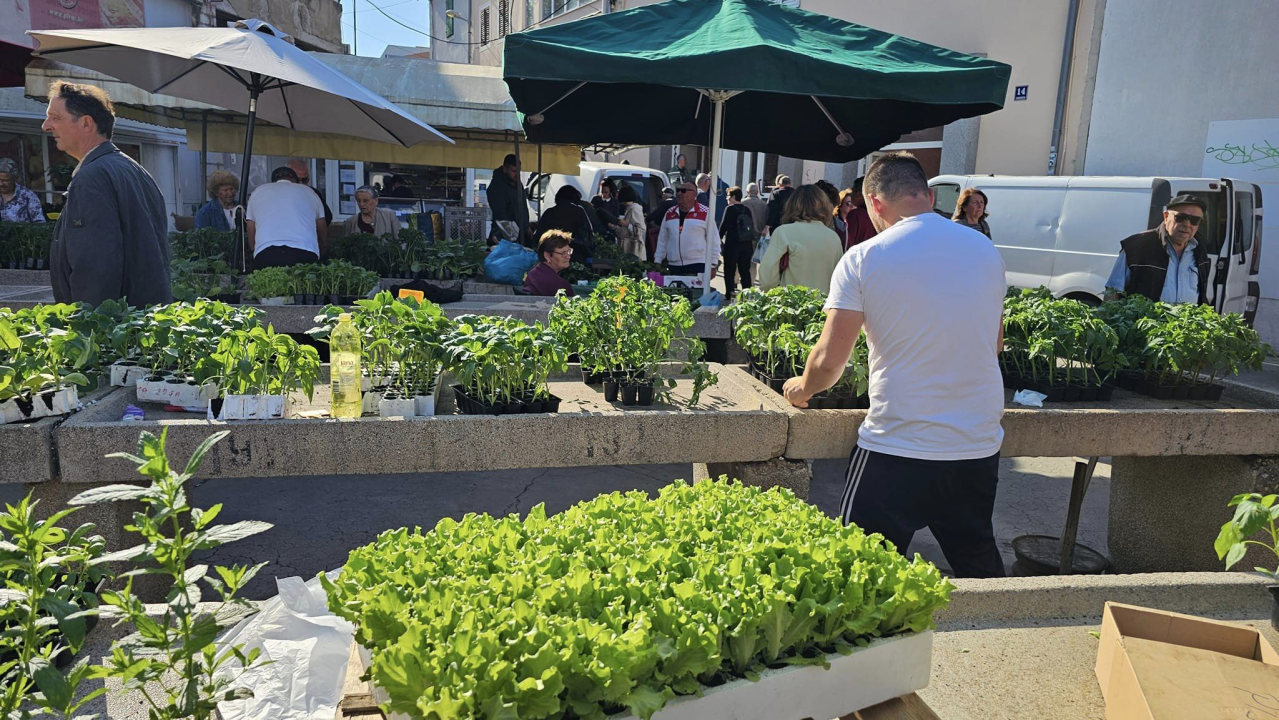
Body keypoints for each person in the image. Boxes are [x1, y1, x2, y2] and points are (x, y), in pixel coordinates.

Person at [782, 152, 1007, 579]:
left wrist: (801, 390)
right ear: (925, 194)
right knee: (978, 564)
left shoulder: (865, 257)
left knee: (858, 574)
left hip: (898, 444)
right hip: (976, 444)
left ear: (874, 203)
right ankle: (1006, 636)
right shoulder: (984, 249)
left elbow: (831, 360)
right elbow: (993, 344)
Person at [42, 81, 170, 307]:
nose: (46, 126)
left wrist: (87, 330)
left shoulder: (91, 177)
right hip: (140, 324)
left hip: (110, 332)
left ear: (86, 123)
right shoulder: (134, 170)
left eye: (56, 117)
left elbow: (95, 267)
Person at [1105, 194, 1210, 305]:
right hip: (1145, 321)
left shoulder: (1200, 250)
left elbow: (1201, 294)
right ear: (1166, 216)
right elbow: (1113, 292)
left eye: (1194, 220)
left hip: (1186, 322)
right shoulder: (1137, 247)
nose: (1187, 224)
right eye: (1180, 218)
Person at [757, 185, 843, 293]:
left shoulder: (784, 233)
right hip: (823, 305)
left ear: (791, 205)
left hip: (791, 304)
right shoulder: (834, 237)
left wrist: (772, 294)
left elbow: (767, 275)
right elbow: (840, 278)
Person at [246, 166, 326, 269]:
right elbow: (322, 226)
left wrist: (254, 249)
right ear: (295, 180)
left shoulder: (258, 192)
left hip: (266, 252)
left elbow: (251, 228)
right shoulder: (309, 192)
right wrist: (323, 253)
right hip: (305, 252)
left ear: (273, 181)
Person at [655, 181, 720, 276]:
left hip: (698, 264)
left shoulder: (705, 213)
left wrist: (713, 264)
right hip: (674, 265)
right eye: (678, 190)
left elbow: (714, 240)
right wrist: (658, 261)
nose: (679, 193)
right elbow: (662, 239)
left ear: (694, 194)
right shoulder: (670, 213)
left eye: (683, 191)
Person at [719, 186, 756, 298]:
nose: (726, 198)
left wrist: (717, 239)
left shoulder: (730, 209)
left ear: (733, 197)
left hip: (732, 243)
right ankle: (747, 294)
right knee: (745, 270)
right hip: (746, 243)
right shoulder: (747, 210)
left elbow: (723, 226)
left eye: (728, 196)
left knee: (729, 270)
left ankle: (729, 293)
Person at [537, 185, 593, 257]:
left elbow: (539, 236)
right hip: (576, 254)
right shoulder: (579, 211)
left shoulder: (549, 212)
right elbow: (588, 233)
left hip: (552, 255)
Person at [487, 154, 530, 245]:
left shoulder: (518, 184)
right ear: (505, 169)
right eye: (514, 171)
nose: (517, 174)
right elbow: (500, 213)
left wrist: (526, 226)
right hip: (504, 234)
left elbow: (523, 207)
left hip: (517, 233)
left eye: (519, 171)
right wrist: (510, 234)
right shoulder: (497, 186)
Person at [523, 229, 575, 297]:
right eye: (563, 253)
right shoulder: (560, 285)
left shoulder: (533, 273)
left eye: (569, 251)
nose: (568, 257)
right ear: (547, 256)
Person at [286, 159, 332, 226]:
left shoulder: (313, 193)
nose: (301, 183)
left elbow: (327, 217)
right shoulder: (278, 194)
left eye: (304, 180)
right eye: (296, 180)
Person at [835, 180, 877, 251]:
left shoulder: (855, 214)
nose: (851, 194)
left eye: (853, 191)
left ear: (860, 194)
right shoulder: (875, 214)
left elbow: (846, 243)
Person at [0, 158, 46, 223]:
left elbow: (40, 224)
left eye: (6, 180)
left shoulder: (28, 196)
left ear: (14, 178)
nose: (1, 184)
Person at [613, 185, 647, 260]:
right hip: (628, 248)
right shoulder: (629, 209)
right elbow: (625, 231)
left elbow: (641, 230)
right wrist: (615, 228)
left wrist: (625, 224)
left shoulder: (634, 210)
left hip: (634, 249)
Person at [646, 187, 678, 262]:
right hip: (676, 228)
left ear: (664, 195)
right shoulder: (677, 201)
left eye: (662, 196)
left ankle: (659, 261)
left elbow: (655, 214)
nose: (662, 198)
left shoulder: (666, 203)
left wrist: (646, 220)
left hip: (663, 227)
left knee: (659, 244)